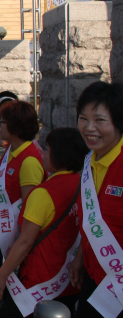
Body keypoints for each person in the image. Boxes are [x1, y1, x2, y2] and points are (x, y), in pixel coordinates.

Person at [0, 127, 87, 317]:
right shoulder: (82, 184)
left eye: (48, 149)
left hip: (39, 280)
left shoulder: (43, 193)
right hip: (68, 279)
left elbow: (25, 241)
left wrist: (1, 275)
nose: (44, 153)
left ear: (60, 155)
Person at [70, 81, 123, 318]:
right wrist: (81, 257)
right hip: (94, 277)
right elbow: (93, 223)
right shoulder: (90, 160)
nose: (89, 128)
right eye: (83, 118)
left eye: (100, 120)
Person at [0, 100, 45, 273]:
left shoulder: (29, 161)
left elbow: (29, 212)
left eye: (2, 122)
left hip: (15, 244)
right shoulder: (12, 150)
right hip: (3, 235)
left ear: (16, 126)